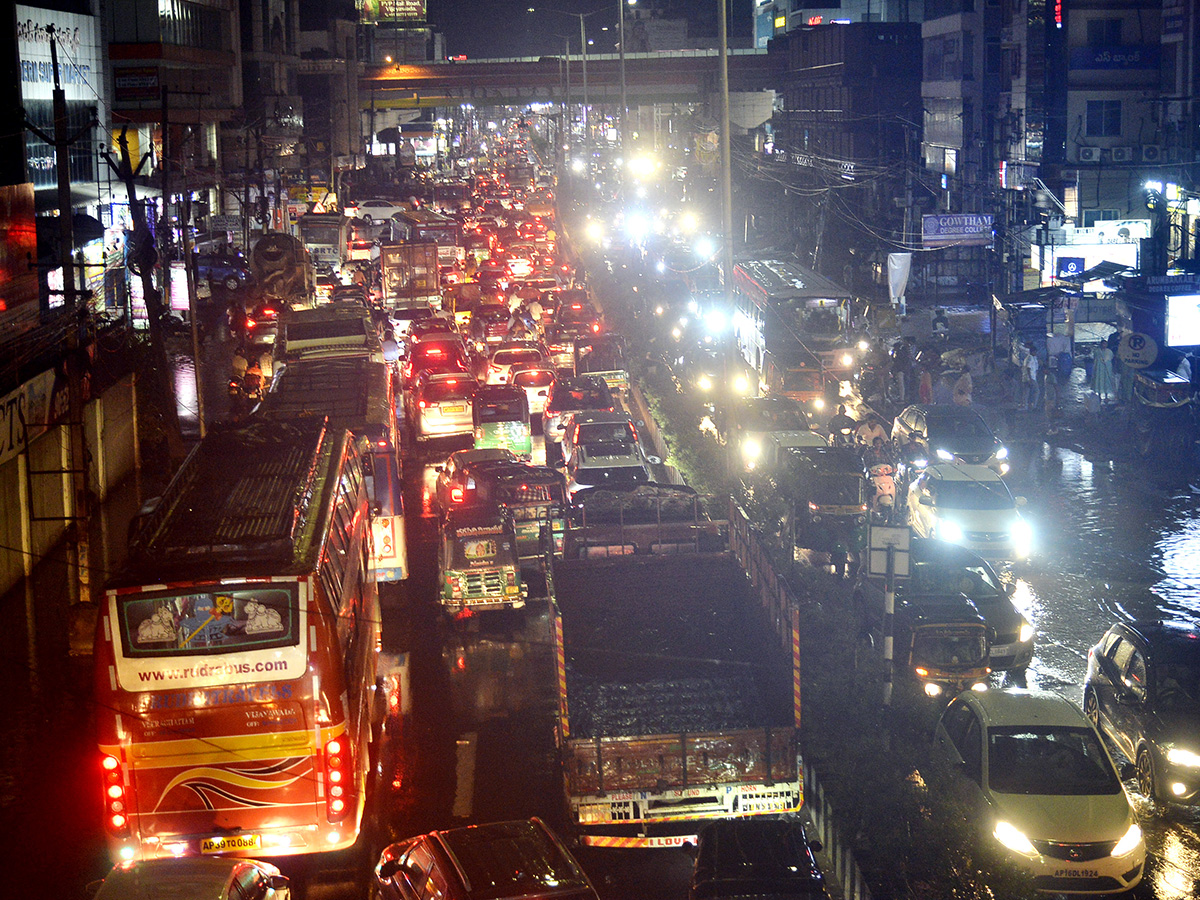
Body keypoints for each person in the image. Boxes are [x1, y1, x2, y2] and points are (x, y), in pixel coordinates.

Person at [1021, 342, 1040, 411]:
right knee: (1036, 391)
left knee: (1026, 392)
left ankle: (1026, 406)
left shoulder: (1033, 358)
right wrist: (1030, 379)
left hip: (1030, 378)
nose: (1036, 353)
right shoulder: (1030, 358)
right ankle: (1033, 406)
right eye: (1035, 352)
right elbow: (1028, 369)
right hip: (1030, 378)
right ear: (1032, 352)